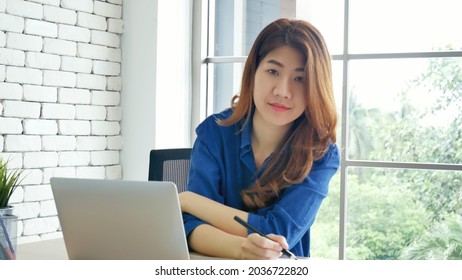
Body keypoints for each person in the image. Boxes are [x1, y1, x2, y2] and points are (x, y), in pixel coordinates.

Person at [179, 18, 339, 260]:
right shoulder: (215, 132)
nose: (282, 91)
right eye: (273, 71)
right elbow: (190, 226)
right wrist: (240, 248)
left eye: (300, 78)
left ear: (316, 86)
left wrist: (187, 200)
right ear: (253, 72)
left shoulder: (321, 153)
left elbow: (279, 233)